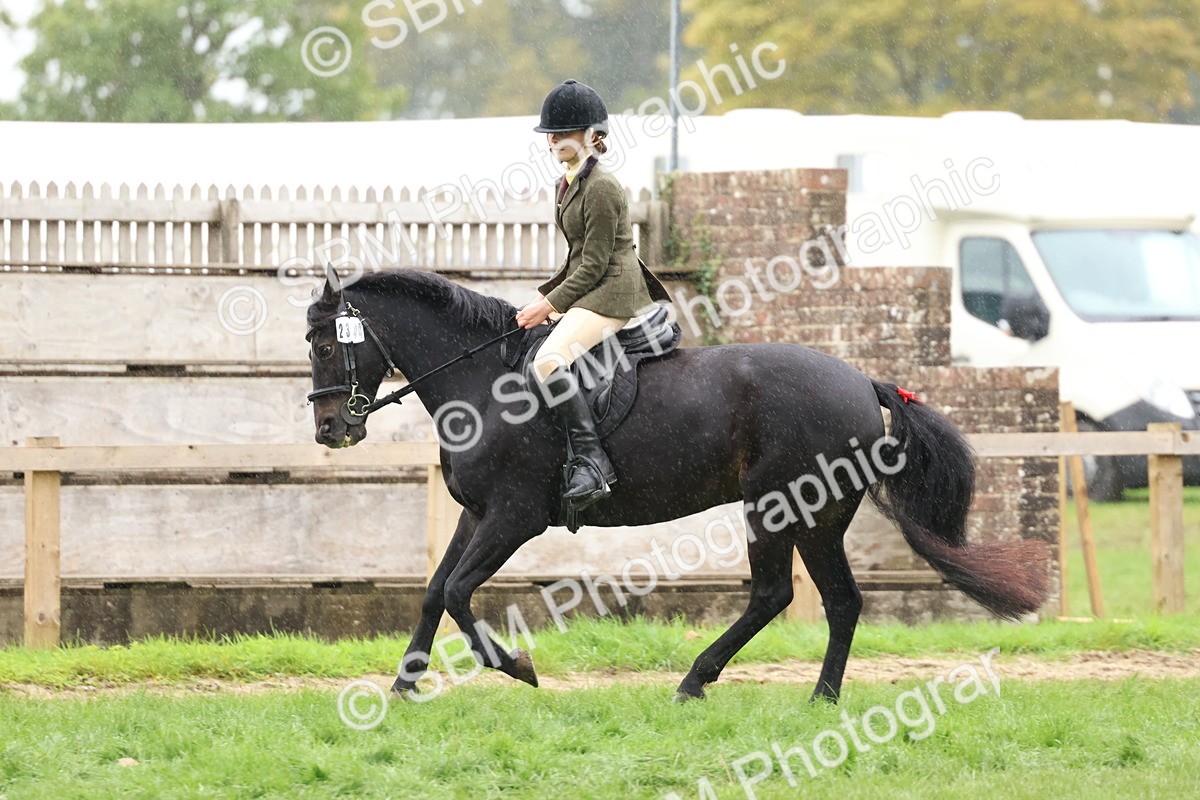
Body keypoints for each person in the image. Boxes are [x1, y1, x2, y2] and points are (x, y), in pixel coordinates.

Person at [515, 78, 671, 514]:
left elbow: (596, 264)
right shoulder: (570, 182)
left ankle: (593, 461)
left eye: (562, 133)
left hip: (615, 293)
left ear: (592, 137)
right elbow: (577, 255)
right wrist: (545, 298)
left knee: (548, 362)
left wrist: (550, 304)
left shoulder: (601, 187)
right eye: (551, 133)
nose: (553, 140)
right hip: (593, 289)